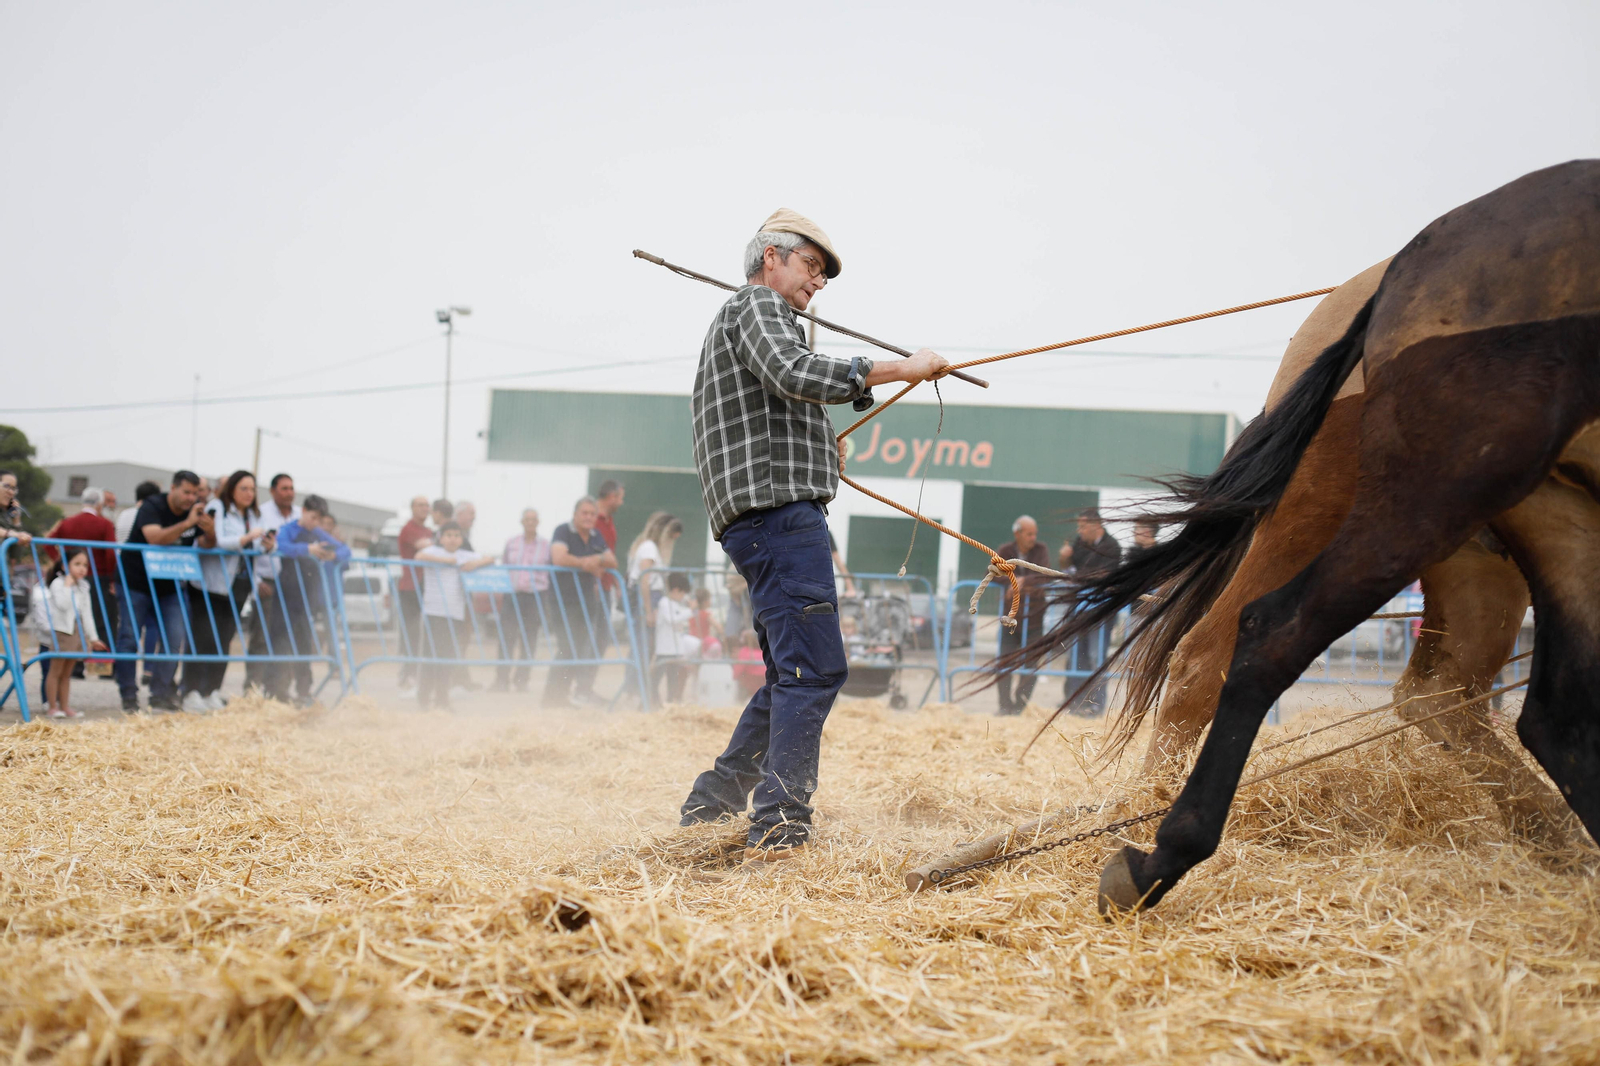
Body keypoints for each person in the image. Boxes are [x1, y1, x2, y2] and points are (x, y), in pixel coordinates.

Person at [678, 208, 950, 860]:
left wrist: (822, 455)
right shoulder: (761, 309)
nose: (818, 283)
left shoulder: (743, 321)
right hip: (780, 518)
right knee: (815, 668)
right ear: (771, 257)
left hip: (756, 520)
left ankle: (713, 802)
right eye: (811, 266)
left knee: (788, 674)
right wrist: (900, 369)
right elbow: (795, 374)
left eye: (824, 276)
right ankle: (778, 827)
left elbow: (780, 396)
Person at [114, 470, 213, 712]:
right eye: (186, 492)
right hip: (135, 582)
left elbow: (209, 544)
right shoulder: (152, 505)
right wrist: (187, 524)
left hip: (170, 586)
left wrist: (210, 530)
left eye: (195, 493)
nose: (191, 498)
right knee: (129, 639)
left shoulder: (197, 512)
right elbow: (155, 537)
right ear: (174, 488)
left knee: (173, 640)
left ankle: (160, 694)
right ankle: (129, 696)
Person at [181, 470, 270, 712]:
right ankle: (191, 691)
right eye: (244, 488)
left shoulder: (253, 515)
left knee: (223, 640)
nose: (249, 493)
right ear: (232, 489)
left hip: (239, 585)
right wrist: (245, 538)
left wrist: (267, 546)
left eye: (252, 489)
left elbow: (256, 545)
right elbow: (213, 539)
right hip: (211, 585)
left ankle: (212, 691)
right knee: (203, 638)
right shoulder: (217, 507)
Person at [271, 495, 349, 706]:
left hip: (307, 597)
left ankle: (304, 691)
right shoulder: (288, 529)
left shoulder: (317, 533)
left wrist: (333, 555)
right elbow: (281, 546)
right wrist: (307, 550)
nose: (315, 523)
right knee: (279, 642)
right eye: (313, 517)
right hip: (285, 593)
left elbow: (344, 550)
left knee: (304, 644)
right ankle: (274, 692)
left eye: (319, 519)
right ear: (303, 511)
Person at [544, 496, 617, 708]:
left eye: (592, 514)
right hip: (562, 599)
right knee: (566, 646)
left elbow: (612, 560)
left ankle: (560, 697)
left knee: (578, 648)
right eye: (584, 513)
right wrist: (585, 563)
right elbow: (558, 557)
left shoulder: (596, 536)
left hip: (586, 600)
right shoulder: (562, 531)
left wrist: (596, 560)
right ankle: (551, 697)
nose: (588, 517)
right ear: (575, 514)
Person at [414, 521, 493, 711]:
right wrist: (448, 562)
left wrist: (474, 563)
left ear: (461, 538)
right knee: (430, 656)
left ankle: (442, 699)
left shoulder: (465, 555)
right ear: (441, 538)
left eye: (456, 535)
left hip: (455, 613)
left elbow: (489, 559)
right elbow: (418, 556)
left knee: (448, 657)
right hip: (434, 612)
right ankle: (423, 698)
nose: (452, 539)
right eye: (448, 535)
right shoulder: (434, 551)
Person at [45, 487, 119, 680]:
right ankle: (102, 669)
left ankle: (76, 668)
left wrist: (61, 563)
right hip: (98, 577)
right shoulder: (105, 524)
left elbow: (47, 542)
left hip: (72, 577)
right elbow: (111, 553)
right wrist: (112, 578)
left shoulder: (67, 523)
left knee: (73, 619)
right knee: (101, 621)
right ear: (100, 504)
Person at [244, 474, 300, 697]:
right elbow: (249, 551)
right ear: (273, 490)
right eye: (284, 488)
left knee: (286, 638)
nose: (289, 492)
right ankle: (253, 689)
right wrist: (255, 580)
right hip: (266, 582)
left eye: (292, 488)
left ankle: (280, 690)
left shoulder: (299, 515)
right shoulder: (261, 513)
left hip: (292, 585)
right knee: (261, 637)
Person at [1064, 507, 1122, 714]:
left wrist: (1081, 575)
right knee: (1076, 657)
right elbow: (1069, 565)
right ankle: (1074, 703)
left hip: (1101, 613)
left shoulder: (1113, 546)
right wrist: (1065, 558)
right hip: (1079, 609)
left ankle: (1097, 704)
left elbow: (1105, 575)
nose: (1079, 531)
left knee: (1096, 657)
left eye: (1082, 526)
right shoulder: (1080, 543)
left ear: (1096, 525)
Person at [995, 515, 1053, 716]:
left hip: (1034, 618)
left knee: (1031, 665)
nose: (1033, 538)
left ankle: (1019, 705)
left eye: (1035, 533)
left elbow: (1043, 574)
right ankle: (1004, 705)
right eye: (1029, 534)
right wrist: (1013, 581)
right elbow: (994, 572)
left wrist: (1023, 582)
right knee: (1004, 663)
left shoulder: (1041, 550)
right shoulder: (1005, 551)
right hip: (1010, 619)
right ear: (1017, 533)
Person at [42, 547, 107, 719]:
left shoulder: (84, 586)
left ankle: (65, 706)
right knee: (56, 670)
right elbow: (62, 605)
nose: (82, 568)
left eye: (84, 565)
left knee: (67, 673)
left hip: (77, 631)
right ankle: (52, 706)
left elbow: (87, 613)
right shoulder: (58, 583)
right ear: (64, 566)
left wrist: (93, 638)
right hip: (63, 631)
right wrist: (67, 585)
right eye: (77, 564)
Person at [493, 507, 551, 693]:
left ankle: (522, 680)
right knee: (506, 638)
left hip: (535, 596)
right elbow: (505, 567)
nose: (530, 522)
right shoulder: (511, 543)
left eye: (534, 519)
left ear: (538, 522)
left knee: (529, 639)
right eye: (527, 519)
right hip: (513, 595)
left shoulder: (546, 546)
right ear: (522, 522)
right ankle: (501, 681)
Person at [395, 495, 434, 694]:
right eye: (420, 505)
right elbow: (428, 547)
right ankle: (408, 674)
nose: (425, 508)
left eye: (427, 505)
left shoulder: (428, 531)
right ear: (412, 508)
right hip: (410, 587)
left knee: (423, 633)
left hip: (426, 586)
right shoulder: (409, 529)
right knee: (410, 633)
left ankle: (415, 674)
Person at [627, 511, 683, 639]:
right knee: (643, 641)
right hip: (647, 598)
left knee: (647, 642)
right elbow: (644, 581)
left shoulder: (653, 549)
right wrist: (648, 611)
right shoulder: (649, 548)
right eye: (671, 537)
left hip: (652, 597)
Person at [651, 571, 699, 703]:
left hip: (675, 650)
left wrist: (690, 610)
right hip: (664, 649)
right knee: (655, 680)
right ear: (676, 590)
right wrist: (691, 611)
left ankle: (670, 702)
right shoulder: (664, 603)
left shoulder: (675, 604)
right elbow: (673, 619)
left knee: (673, 679)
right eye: (683, 593)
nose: (684, 596)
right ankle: (651, 702)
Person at [594, 480, 624, 606]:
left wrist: (617, 584)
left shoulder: (609, 520)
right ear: (612, 497)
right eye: (621, 498)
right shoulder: (591, 519)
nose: (622, 503)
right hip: (591, 587)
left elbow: (609, 553)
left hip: (605, 587)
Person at [0, 470, 33, 548]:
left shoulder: (4, 516)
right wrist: (13, 534)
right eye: (7, 486)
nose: (11, 492)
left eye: (13, 488)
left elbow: (14, 558)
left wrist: (16, 521)